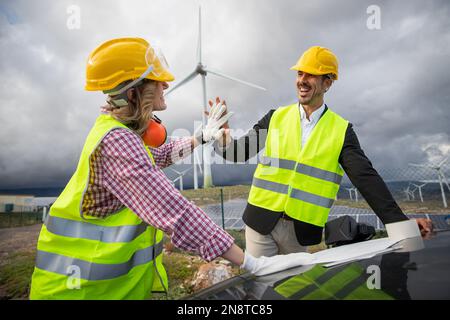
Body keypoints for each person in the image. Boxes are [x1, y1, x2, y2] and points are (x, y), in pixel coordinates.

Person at [29, 38, 314, 300]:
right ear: (134, 93)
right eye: (158, 81)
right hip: (80, 293)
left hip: (107, 290)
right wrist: (251, 262)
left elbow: (160, 153)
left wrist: (201, 137)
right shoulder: (116, 142)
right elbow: (175, 210)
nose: (166, 85)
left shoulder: (120, 132)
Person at [214, 46, 433, 258]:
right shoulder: (275, 117)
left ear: (327, 82)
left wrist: (400, 223)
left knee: (292, 291)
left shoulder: (341, 131)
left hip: (300, 232)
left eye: (311, 75)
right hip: (260, 223)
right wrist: (222, 141)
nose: (302, 80)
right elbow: (240, 152)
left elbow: (365, 178)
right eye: (300, 73)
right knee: (257, 292)